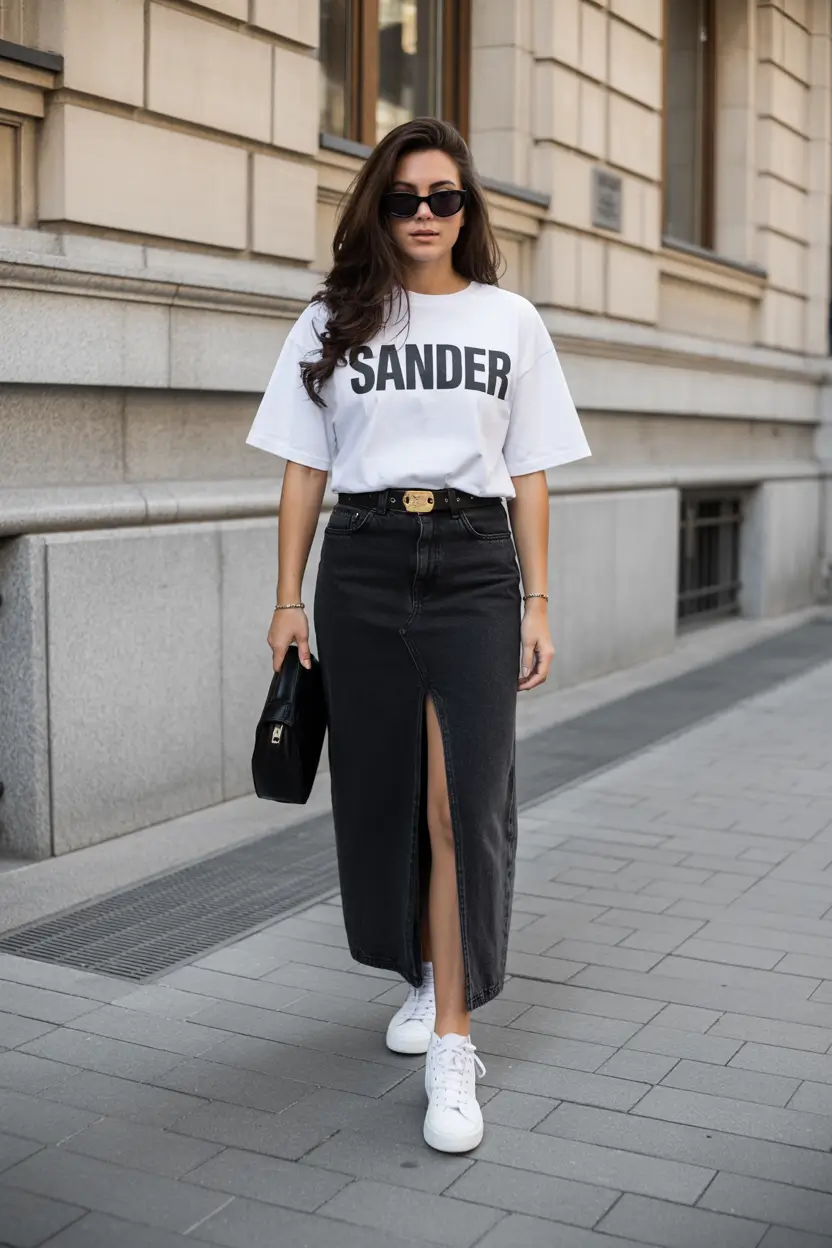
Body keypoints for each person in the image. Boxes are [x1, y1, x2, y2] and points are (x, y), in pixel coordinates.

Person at [246, 117, 590, 1153]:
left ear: (468, 209)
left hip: (476, 565)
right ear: (376, 211)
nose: (427, 215)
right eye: (405, 199)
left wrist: (537, 601)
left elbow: (529, 470)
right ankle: (421, 967)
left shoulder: (509, 319)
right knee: (386, 786)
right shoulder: (330, 321)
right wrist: (287, 598)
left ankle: (454, 1033)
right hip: (360, 559)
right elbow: (303, 467)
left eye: (445, 197)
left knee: (458, 802)